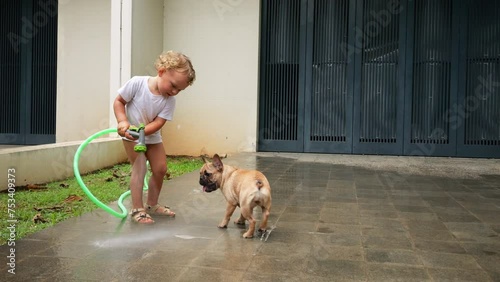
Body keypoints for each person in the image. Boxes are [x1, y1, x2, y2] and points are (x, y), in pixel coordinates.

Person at [113, 50, 196, 224]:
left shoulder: (169, 101)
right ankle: (137, 209)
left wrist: (142, 130)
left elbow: (159, 123)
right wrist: (122, 122)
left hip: (151, 136)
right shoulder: (137, 83)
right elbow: (119, 101)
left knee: (160, 168)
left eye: (179, 90)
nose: (174, 92)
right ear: (161, 71)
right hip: (132, 136)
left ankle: (152, 205)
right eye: (173, 86)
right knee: (140, 167)